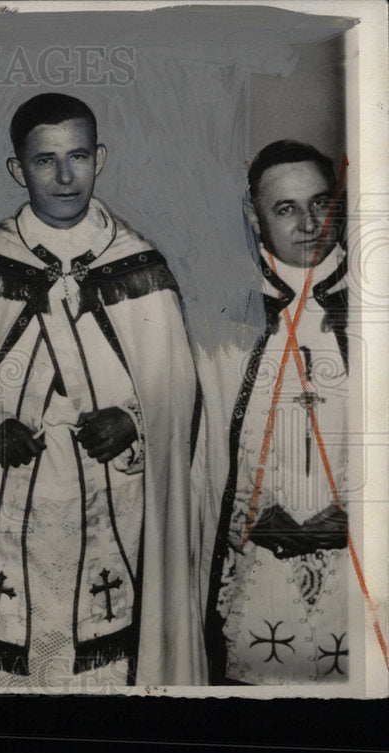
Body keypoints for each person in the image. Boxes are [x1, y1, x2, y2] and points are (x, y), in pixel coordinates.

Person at [0, 93, 204, 689]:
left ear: (99, 158)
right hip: (4, 519)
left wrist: (133, 423)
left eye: (77, 156)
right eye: (44, 160)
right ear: (17, 169)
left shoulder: (141, 269)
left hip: (115, 516)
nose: (63, 176)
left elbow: (176, 402)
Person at [203, 140, 349, 684]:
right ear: (254, 213)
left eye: (320, 203)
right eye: (285, 208)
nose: (309, 222)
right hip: (257, 570)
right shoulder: (226, 324)